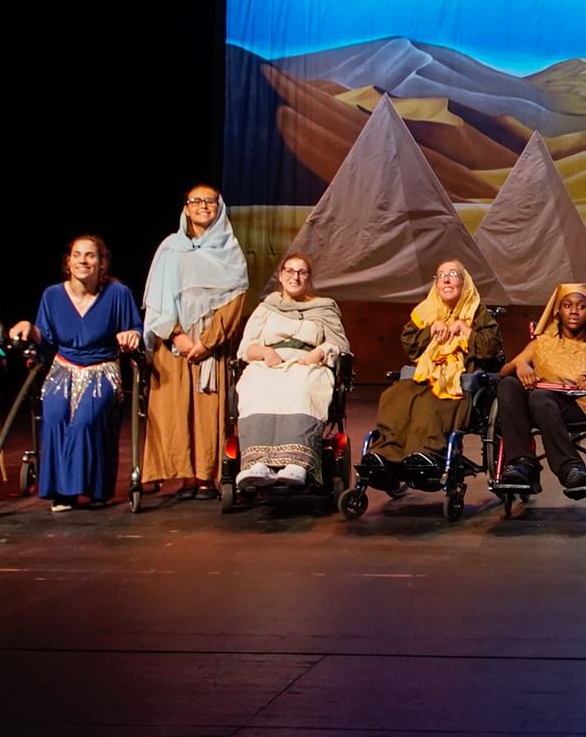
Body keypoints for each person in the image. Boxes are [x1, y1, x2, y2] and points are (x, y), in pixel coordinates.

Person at [8, 236, 143, 512]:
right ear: (68, 262)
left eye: (91, 256)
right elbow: (44, 338)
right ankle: (62, 493)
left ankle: (95, 489)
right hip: (63, 366)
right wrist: (27, 326)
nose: (83, 261)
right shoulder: (52, 295)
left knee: (86, 420)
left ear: (101, 262)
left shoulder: (118, 294)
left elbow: (136, 329)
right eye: (77, 255)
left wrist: (131, 334)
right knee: (55, 415)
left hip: (102, 368)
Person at [142, 185, 249, 500]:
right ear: (186, 208)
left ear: (220, 207)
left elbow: (235, 299)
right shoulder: (170, 248)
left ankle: (205, 477)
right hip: (173, 347)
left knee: (207, 414)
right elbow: (157, 300)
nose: (204, 205)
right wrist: (177, 335)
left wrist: (207, 341)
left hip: (210, 348)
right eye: (196, 201)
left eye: (210, 201)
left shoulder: (230, 250)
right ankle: (183, 475)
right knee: (173, 411)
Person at [232, 254, 347, 489]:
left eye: (302, 272)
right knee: (256, 386)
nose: (295, 276)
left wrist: (320, 352)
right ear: (281, 275)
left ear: (309, 278)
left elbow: (341, 345)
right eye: (290, 271)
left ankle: (297, 464)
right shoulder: (266, 308)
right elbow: (245, 348)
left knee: (300, 387)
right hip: (269, 363)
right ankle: (257, 463)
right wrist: (264, 352)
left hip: (307, 363)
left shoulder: (323, 308)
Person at [496, 282, 586, 494]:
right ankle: (522, 463)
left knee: (539, 397)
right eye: (567, 305)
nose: (574, 311)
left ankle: (571, 467)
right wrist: (521, 364)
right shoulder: (542, 343)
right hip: (542, 407)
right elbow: (503, 372)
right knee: (508, 384)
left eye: (581, 306)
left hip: (582, 407)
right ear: (558, 310)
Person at [374, 260, 486, 465]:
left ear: (465, 282)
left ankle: (427, 451)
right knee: (394, 397)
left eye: (453, 274)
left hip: (457, 382)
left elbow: (491, 350)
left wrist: (464, 328)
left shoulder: (477, 313)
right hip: (425, 375)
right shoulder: (426, 311)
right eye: (441, 275)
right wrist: (430, 330)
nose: (446, 279)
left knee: (432, 402)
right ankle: (384, 453)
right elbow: (409, 344)